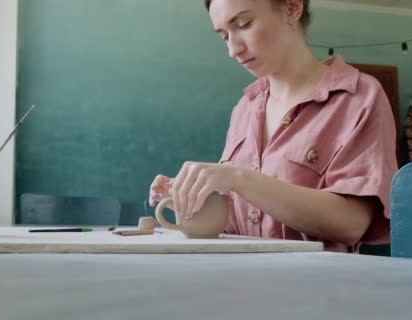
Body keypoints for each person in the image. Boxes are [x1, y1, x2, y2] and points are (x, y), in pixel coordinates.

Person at [148, 0, 398, 252]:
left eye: (243, 24)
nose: (233, 50)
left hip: (318, 287)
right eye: (224, 36)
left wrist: (239, 178)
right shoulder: (244, 109)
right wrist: (190, 198)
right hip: (238, 282)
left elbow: (351, 224)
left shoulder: (359, 96)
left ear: (291, 8)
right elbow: (234, 222)